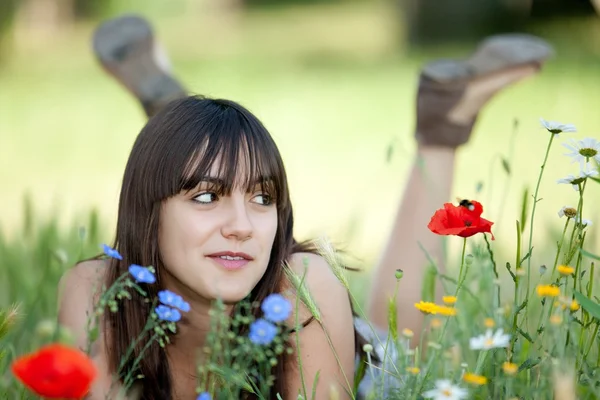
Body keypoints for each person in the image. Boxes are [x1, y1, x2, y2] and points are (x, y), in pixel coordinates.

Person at [58, 14, 554, 399]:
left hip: (361, 373)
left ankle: (441, 126)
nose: (242, 227)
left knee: (401, 338)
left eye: (263, 198)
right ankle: (178, 123)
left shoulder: (303, 290)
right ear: (147, 209)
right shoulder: (95, 293)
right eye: (206, 197)